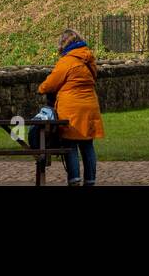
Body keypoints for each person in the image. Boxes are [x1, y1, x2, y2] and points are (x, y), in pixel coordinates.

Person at [38, 29, 105, 186]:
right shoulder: (89, 59)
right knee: (88, 145)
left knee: (70, 145)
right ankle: (90, 181)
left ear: (64, 44)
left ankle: (74, 180)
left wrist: (41, 88)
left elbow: (51, 82)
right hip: (90, 107)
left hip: (72, 110)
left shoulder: (67, 61)